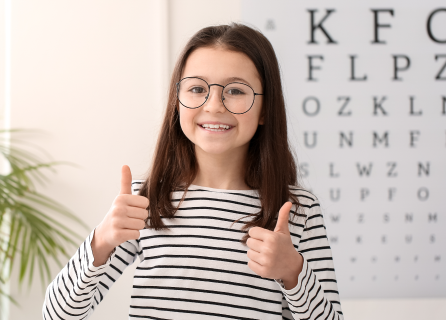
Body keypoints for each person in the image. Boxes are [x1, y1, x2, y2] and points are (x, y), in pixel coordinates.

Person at [42, 23, 343, 320]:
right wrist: (102, 240)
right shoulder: (146, 199)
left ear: (265, 109)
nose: (213, 105)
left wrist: (293, 272)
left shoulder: (296, 210)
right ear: (177, 101)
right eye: (197, 88)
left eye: (236, 90)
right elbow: (57, 314)